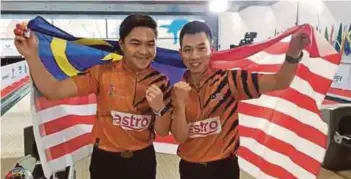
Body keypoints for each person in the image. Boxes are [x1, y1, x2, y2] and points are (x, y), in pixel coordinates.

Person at [14, 14, 173, 179]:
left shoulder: (161, 81)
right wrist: (31, 56)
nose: (144, 51)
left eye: (150, 44)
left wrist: (159, 108)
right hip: (106, 161)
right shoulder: (102, 73)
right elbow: (54, 91)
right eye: (135, 43)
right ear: (122, 44)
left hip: (143, 160)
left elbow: (161, 131)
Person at [170, 21, 310, 179]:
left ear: (212, 50)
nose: (194, 56)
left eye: (201, 48)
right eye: (188, 50)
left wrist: (293, 53)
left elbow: (280, 81)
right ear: (181, 53)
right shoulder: (177, 88)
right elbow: (180, 137)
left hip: (224, 169)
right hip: (190, 169)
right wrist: (180, 104)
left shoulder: (230, 80)